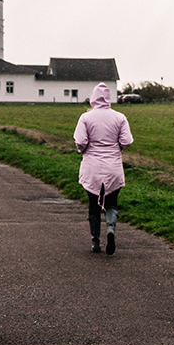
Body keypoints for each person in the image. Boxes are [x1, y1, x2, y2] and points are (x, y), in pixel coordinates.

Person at [74, 82, 133, 255]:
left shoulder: (85, 118)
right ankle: (111, 230)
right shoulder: (120, 117)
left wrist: (83, 151)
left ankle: (95, 242)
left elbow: (81, 141)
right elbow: (127, 141)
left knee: (93, 205)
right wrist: (117, 149)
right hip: (113, 166)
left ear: (93, 98)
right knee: (111, 203)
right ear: (109, 98)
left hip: (92, 166)